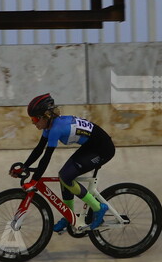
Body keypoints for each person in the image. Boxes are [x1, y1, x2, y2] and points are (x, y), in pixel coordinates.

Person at [15, 93, 117, 233]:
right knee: (64, 176)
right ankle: (69, 216)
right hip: (91, 146)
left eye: (35, 119)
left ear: (46, 116)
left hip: (103, 149)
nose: (33, 122)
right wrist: (24, 166)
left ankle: (99, 208)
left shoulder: (56, 129)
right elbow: (39, 149)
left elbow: (46, 157)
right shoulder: (49, 126)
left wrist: (34, 180)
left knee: (66, 176)